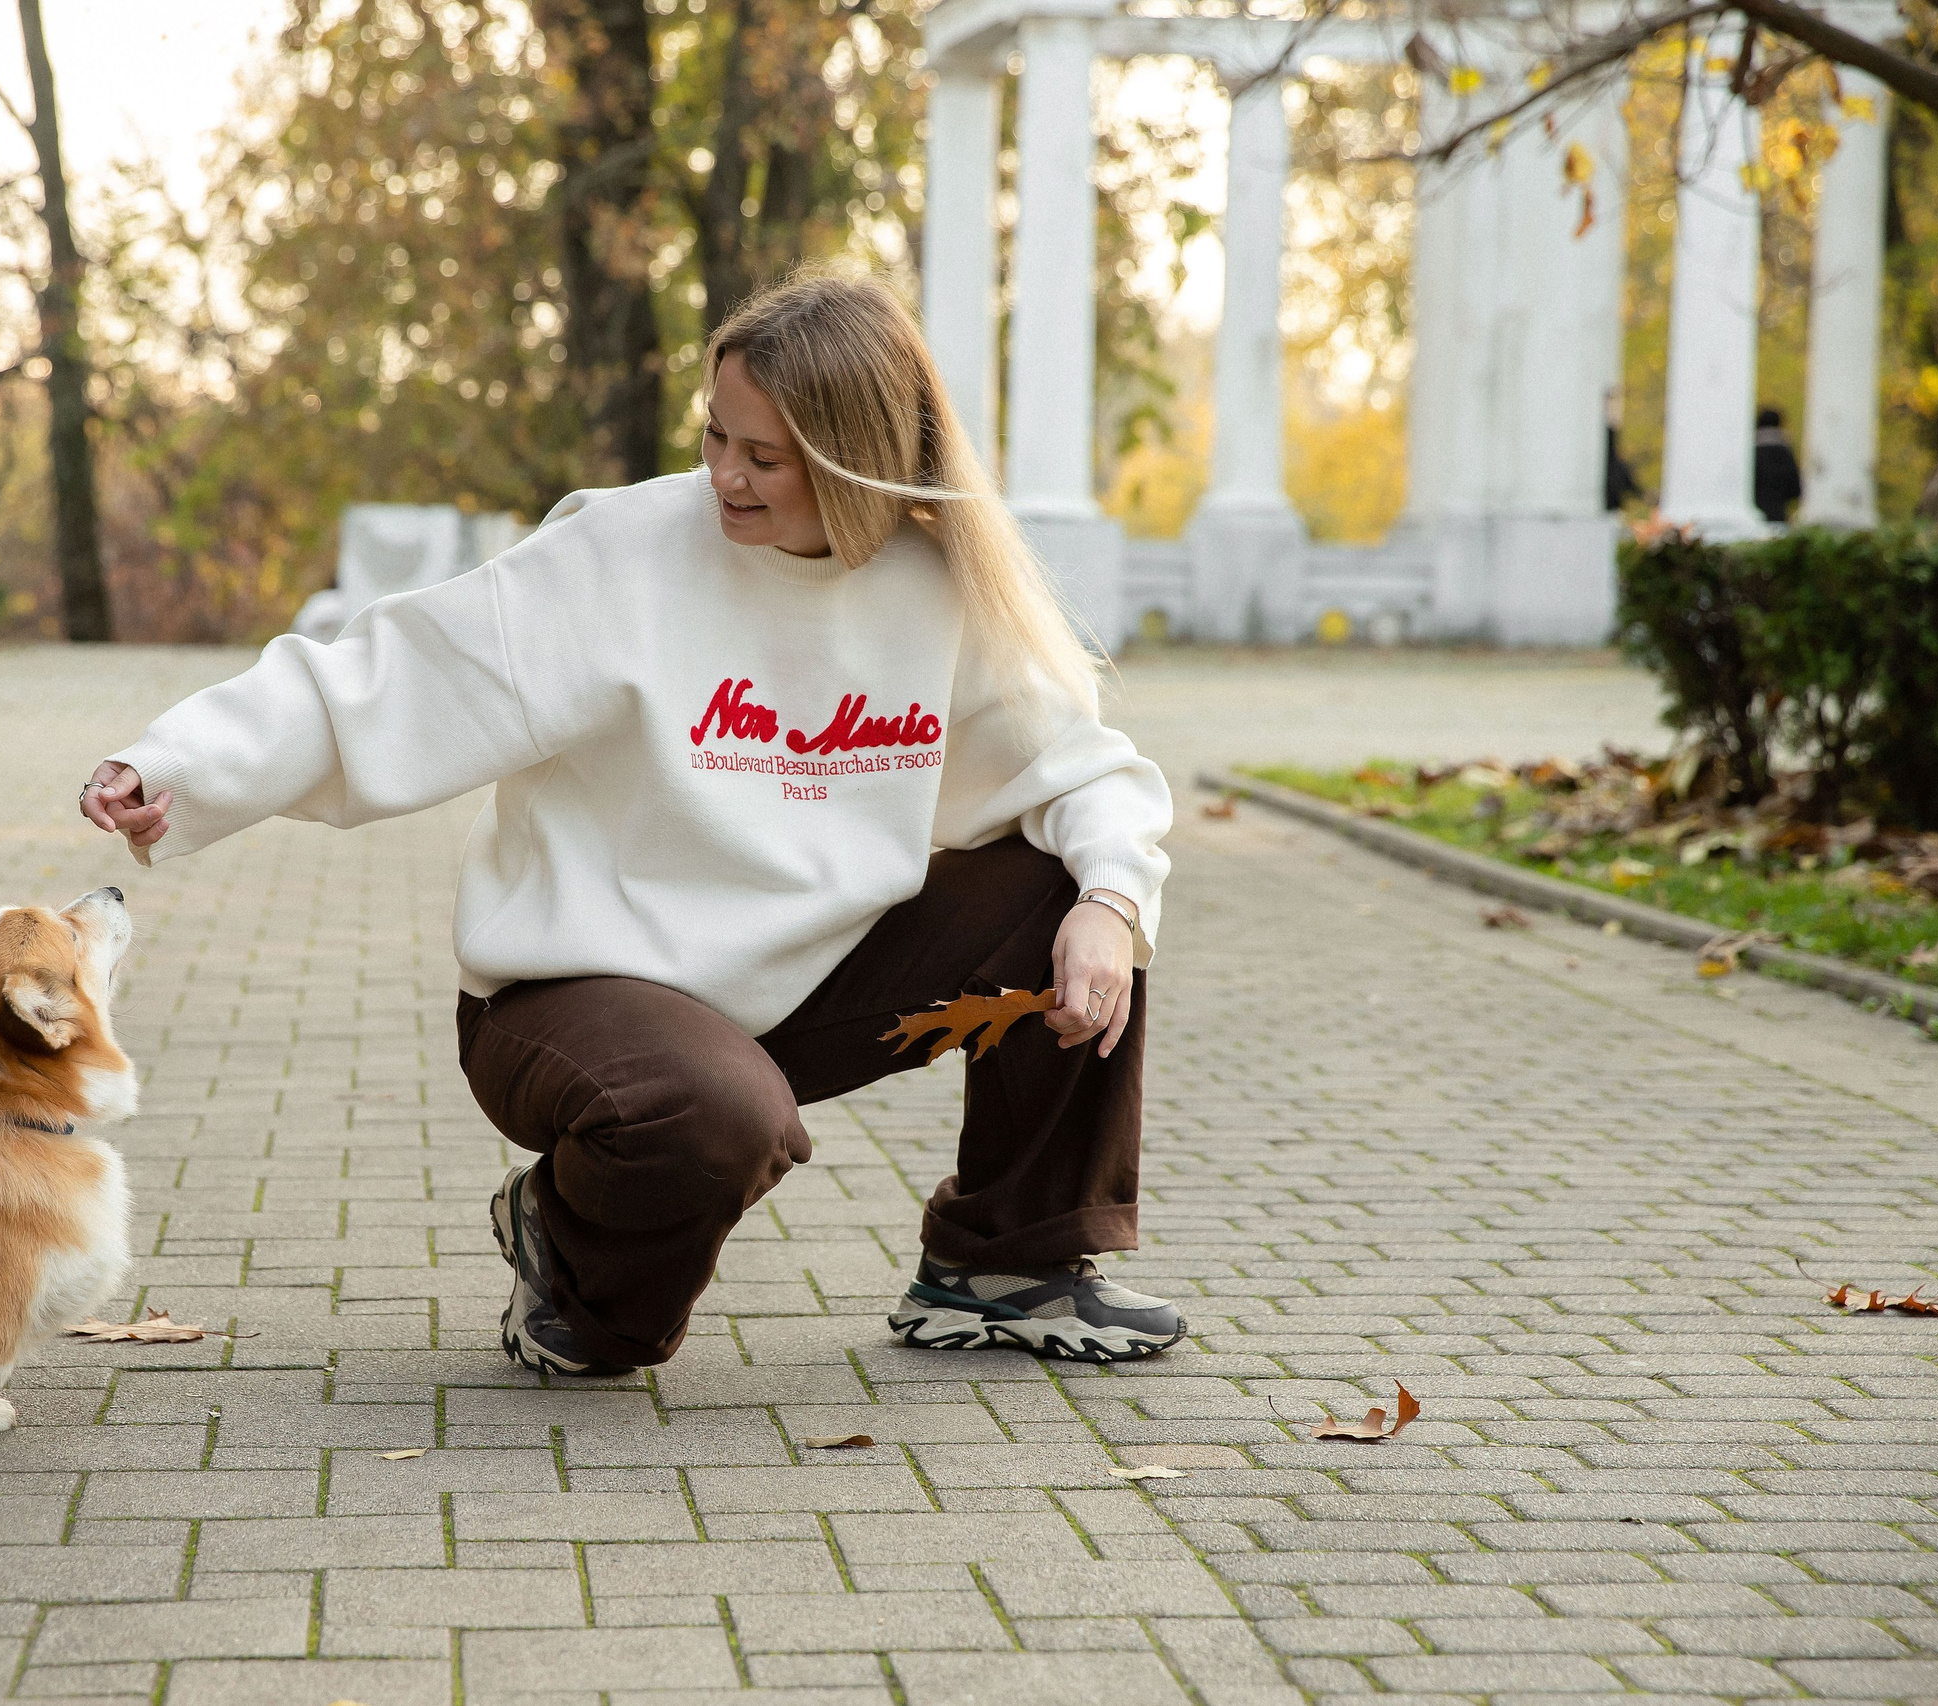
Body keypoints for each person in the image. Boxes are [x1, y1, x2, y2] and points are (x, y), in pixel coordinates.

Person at [78, 271, 1180, 1377]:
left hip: (804, 978)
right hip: (574, 994)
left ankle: (1006, 1265)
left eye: (767, 456)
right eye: (716, 436)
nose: (725, 477)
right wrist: (180, 764)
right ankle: (565, 1247)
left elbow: (1084, 772)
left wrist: (1111, 904)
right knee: (698, 1148)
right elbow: (393, 674)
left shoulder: (933, 583)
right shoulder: (621, 554)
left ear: (859, 459)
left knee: (1073, 892)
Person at [1754, 405, 1802, 526]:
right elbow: (1793, 481)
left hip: (1756, 507)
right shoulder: (1784, 450)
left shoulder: (1752, 451)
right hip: (1778, 509)